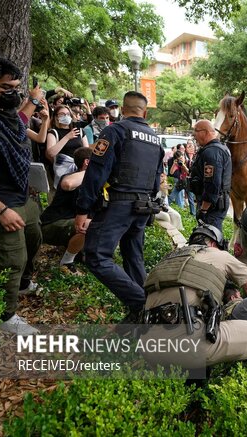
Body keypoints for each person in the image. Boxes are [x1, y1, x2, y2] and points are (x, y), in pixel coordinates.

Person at [75, 91, 164, 324]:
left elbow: (96, 173)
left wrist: (83, 209)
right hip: (143, 207)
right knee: (133, 257)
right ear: (144, 113)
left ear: (123, 110)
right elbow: (157, 180)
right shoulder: (156, 139)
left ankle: (143, 304)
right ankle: (144, 311)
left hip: (119, 204)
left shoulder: (115, 131)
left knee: (95, 256)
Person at [140, 224, 247, 370]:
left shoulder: (167, 260)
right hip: (187, 346)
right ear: (213, 243)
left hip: (149, 348)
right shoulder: (219, 254)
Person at [0, 51, 42, 334]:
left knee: (35, 238)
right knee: (12, 259)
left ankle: (23, 284)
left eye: (16, 87)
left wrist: (32, 100)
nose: (13, 93)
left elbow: (20, 121)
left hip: (23, 196)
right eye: (6, 87)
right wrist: (0, 210)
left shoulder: (4, 112)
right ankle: (6, 316)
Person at [40, 147, 92, 273]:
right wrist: (94, 170)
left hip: (71, 227)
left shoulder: (94, 182)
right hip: (51, 225)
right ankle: (67, 262)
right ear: (87, 162)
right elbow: (68, 184)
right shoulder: (70, 177)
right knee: (90, 225)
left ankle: (82, 252)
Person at [189, 120, 232, 231]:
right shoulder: (218, 149)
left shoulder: (212, 152)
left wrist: (203, 209)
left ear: (206, 132)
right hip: (215, 203)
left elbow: (212, 184)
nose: (194, 135)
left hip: (212, 206)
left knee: (209, 237)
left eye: (196, 131)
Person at [46, 104, 89, 188]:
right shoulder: (53, 132)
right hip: (63, 172)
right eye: (62, 114)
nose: (66, 116)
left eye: (68, 114)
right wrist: (67, 137)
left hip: (80, 169)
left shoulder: (79, 131)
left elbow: (86, 151)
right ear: (56, 117)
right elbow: (51, 153)